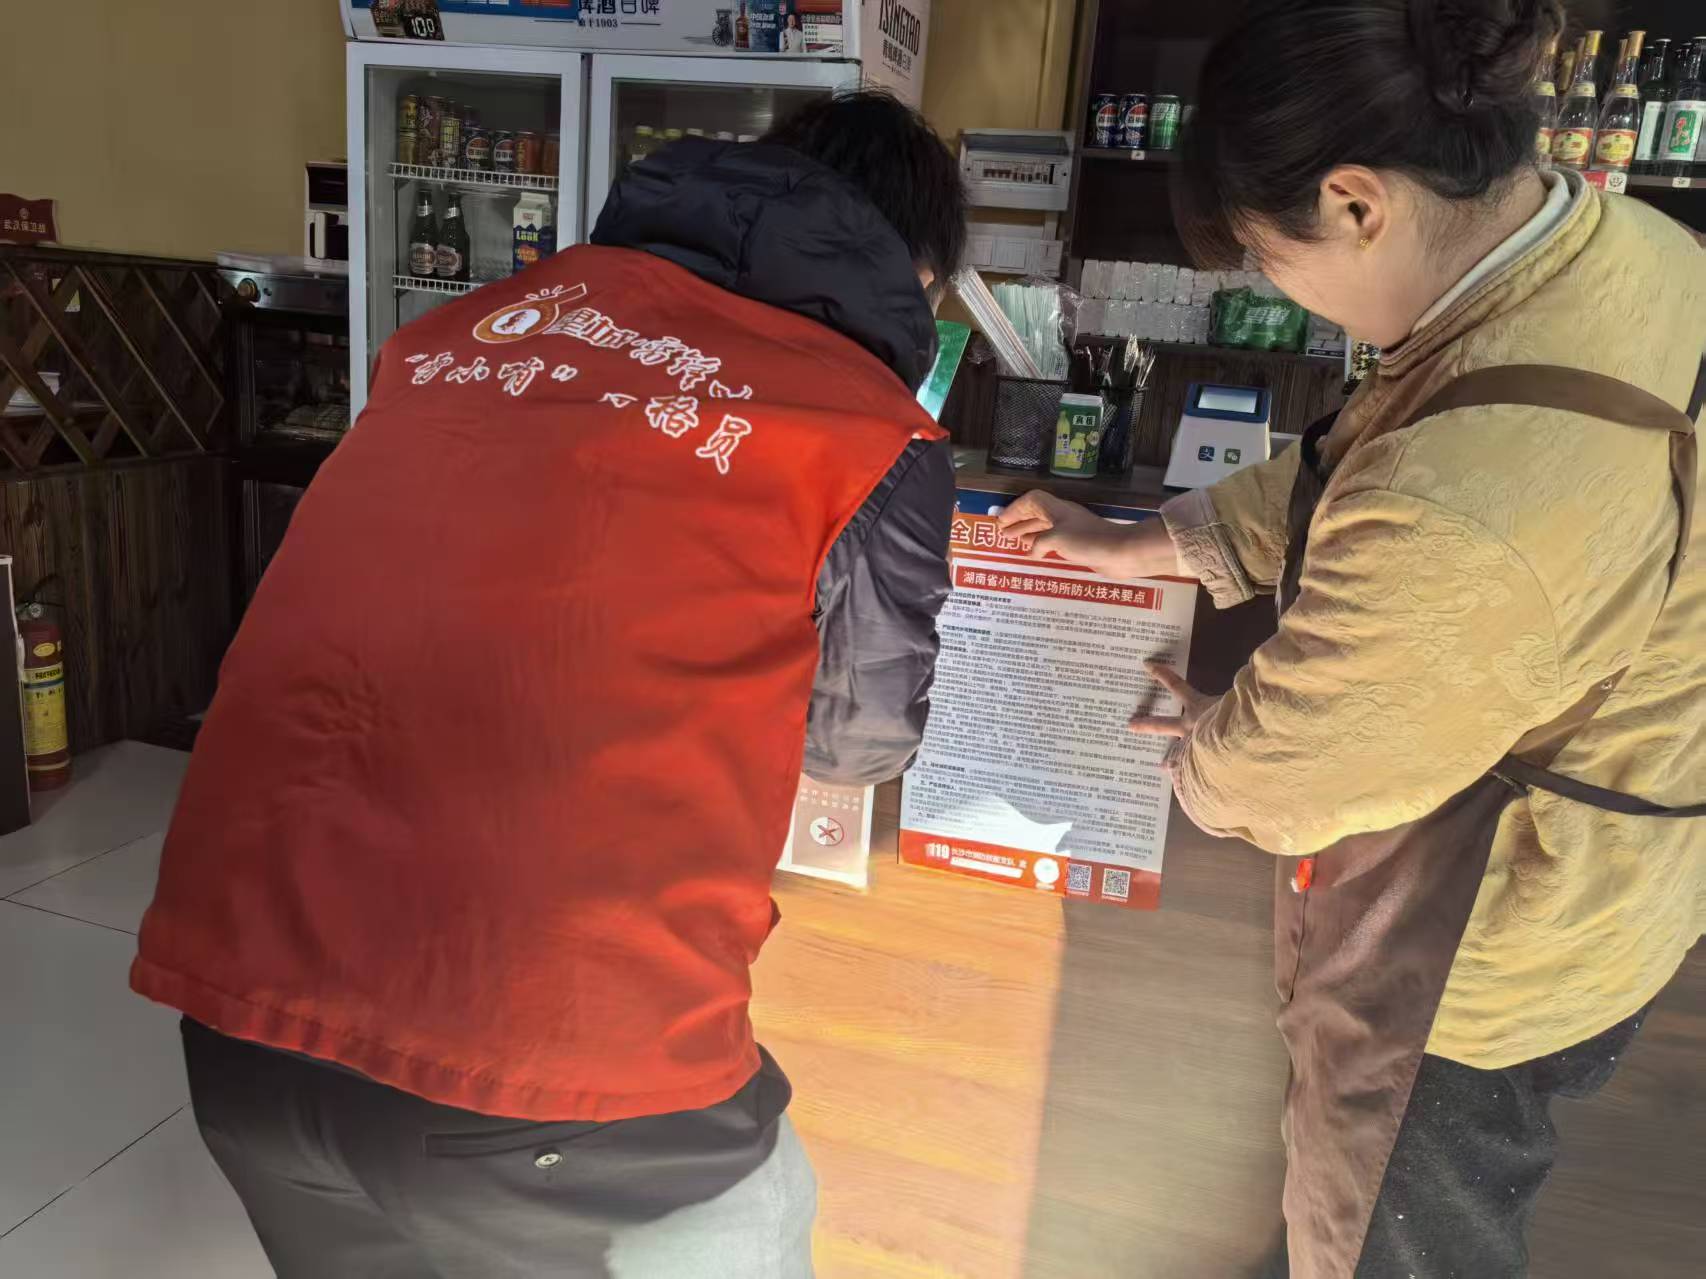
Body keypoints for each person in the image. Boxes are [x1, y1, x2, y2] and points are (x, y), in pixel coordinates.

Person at [131, 91, 966, 1279]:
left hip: (239, 1026)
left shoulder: (466, 332)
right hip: (555, 1059)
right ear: (915, 276)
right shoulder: (868, 427)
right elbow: (856, 743)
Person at [1000, 1, 1705, 1274]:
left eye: (1267, 256)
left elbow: (1287, 775)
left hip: (1472, 958)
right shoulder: (1622, 247)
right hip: (1629, 874)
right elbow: (1368, 457)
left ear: (1354, 203)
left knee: (1389, 1227)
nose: (1271, 286)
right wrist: (1148, 545)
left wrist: (1206, 746)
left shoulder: (1462, 503)